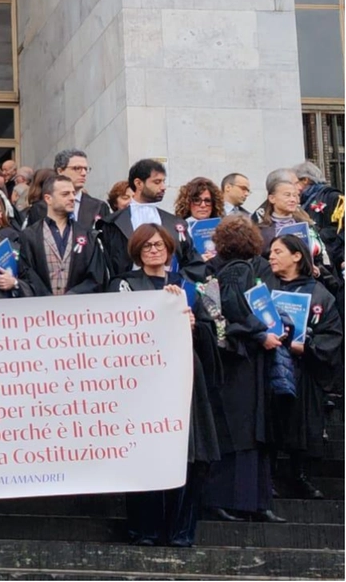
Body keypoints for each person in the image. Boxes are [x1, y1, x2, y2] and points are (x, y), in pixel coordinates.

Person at [108, 224, 220, 547]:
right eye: (147, 246)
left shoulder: (190, 287)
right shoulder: (124, 285)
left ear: (170, 248)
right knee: (147, 453)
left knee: (189, 455)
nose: (154, 250)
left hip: (185, 376)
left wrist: (194, 326)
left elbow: (215, 335)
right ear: (137, 251)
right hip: (144, 380)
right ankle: (145, 529)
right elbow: (118, 331)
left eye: (159, 245)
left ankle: (181, 531)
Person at [201, 216, 286, 525]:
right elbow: (237, 310)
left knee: (246, 428)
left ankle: (250, 500)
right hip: (242, 360)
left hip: (240, 358)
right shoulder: (240, 270)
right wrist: (261, 331)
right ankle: (238, 500)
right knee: (243, 428)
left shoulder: (221, 269)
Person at [264, 234, 343, 500]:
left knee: (302, 420)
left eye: (278, 251)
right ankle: (268, 474)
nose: (271, 256)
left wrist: (306, 347)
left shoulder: (319, 294)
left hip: (303, 369)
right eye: (271, 252)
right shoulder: (263, 287)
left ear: (297, 256)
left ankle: (299, 474)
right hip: (268, 366)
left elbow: (332, 334)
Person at [100, 159, 205, 282]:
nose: (163, 187)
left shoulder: (175, 223)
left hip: (168, 292)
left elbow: (194, 263)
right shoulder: (112, 224)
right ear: (138, 183)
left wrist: (177, 281)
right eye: (157, 182)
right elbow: (106, 268)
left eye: (163, 182)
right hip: (127, 294)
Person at [18, 175, 105, 295]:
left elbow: (97, 277)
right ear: (48, 199)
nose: (72, 198)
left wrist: (73, 295)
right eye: (65, 194)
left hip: (79, 309)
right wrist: (46, 296)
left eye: (73, 193)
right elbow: (27, 273)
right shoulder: (29, 236)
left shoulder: (88, 235)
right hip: (41, 309)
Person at [27, 149, 110, 228]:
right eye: (77, 168)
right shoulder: (39, 208)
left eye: (85, 169)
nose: (84, 173)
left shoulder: (99, 207)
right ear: (60, 171)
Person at [294, 161, 343, 273]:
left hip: (332, 257)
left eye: (295, 182)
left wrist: (315, 235)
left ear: (305, 180)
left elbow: (339, 228)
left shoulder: (333, 197)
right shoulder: (300, 201)